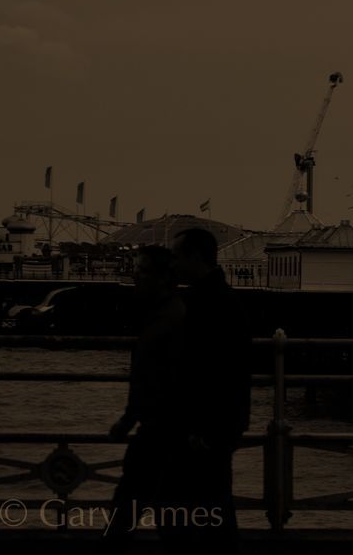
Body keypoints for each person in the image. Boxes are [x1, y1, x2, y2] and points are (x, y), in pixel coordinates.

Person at [166, 228, 251, 553]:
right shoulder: (221, 299)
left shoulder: (208, 303)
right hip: (216, 424)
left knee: (201, 507)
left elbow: (215, 372)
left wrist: (202, 427)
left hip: (206, 429)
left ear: (195, 257)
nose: (172, 262)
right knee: (212, 505)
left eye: (177, 255)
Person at [98, 246, 186, 554]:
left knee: (128, 508)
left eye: (142, 270)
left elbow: (154, 380)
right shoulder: (172, 315)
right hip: (165, 431)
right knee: (169, 513)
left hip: (159, 431)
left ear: (163, 279)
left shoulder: (166, 321)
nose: (135, 275)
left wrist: (129, 418)